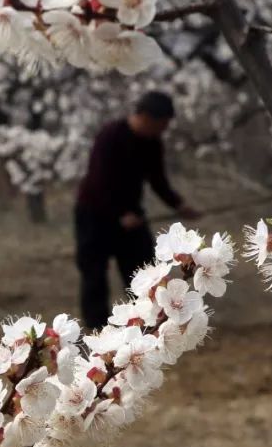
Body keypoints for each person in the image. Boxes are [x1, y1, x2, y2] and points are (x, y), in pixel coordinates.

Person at [74, 91, 199, 330]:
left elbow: (157, 180)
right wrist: (120, 214)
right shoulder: (111, 135)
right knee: (94, 273)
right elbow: (100, 180)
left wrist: (179, 204)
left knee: (144, 270)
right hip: (95, 214)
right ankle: (98, 330)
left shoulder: (152, 143)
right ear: (142, 116)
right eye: (158, 124)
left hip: (132, 215)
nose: (161, 130)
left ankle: (149, 320)